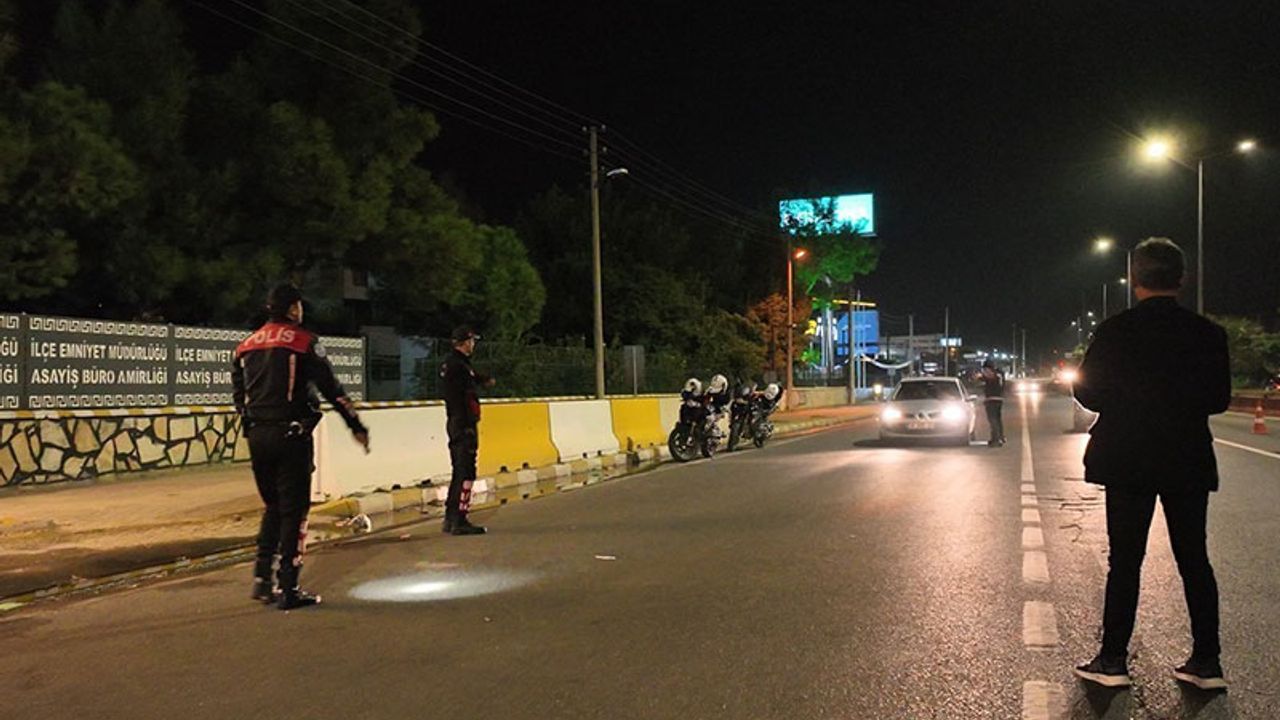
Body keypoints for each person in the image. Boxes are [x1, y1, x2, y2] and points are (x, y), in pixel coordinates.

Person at [1072, 238, 1231, 690]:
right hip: (1186, 457)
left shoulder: (1115, 331)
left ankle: (1113, 660)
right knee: (1194, 559)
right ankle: (1207, 662)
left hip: (1127, 457)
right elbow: (1218, 399)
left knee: (1125, 561)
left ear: (1136, 280)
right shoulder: (1207, 333)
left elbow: (1087, 391)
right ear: (1182, 279)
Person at [233, 283, 370, 610]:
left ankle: (262, 579)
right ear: (293, 308)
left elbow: (239, 397)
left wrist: (252, 426)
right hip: (291, 435)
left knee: (273, 506)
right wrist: (355, 425)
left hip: (258, 437)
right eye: (299, 305)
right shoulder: (303, 342)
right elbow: (332, 389)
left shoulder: (245, 346)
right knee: (294, 512)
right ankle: (289, 587)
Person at [439, 326, 495, 536]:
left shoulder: (454, 363)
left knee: (459, 471)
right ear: (464, 342)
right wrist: (468, 424)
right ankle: (460, 519)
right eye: (471, 341)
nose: (473, 345)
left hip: (456, 422)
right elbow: (464, 394)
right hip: (463, 424)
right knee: (466, 472)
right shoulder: (459, 366)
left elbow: (470, 378)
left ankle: (450, 517)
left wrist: (482, 379)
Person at [979, 359, 1005, 446]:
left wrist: (981, 377)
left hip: (991, 399)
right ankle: (1000, 437)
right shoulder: (1000, 374)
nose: (984, 371)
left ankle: (996, 439)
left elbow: (987, 379)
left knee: (993, 420)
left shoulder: (992, 375)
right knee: (997, 420)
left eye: (985, 369)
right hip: (999, 398)